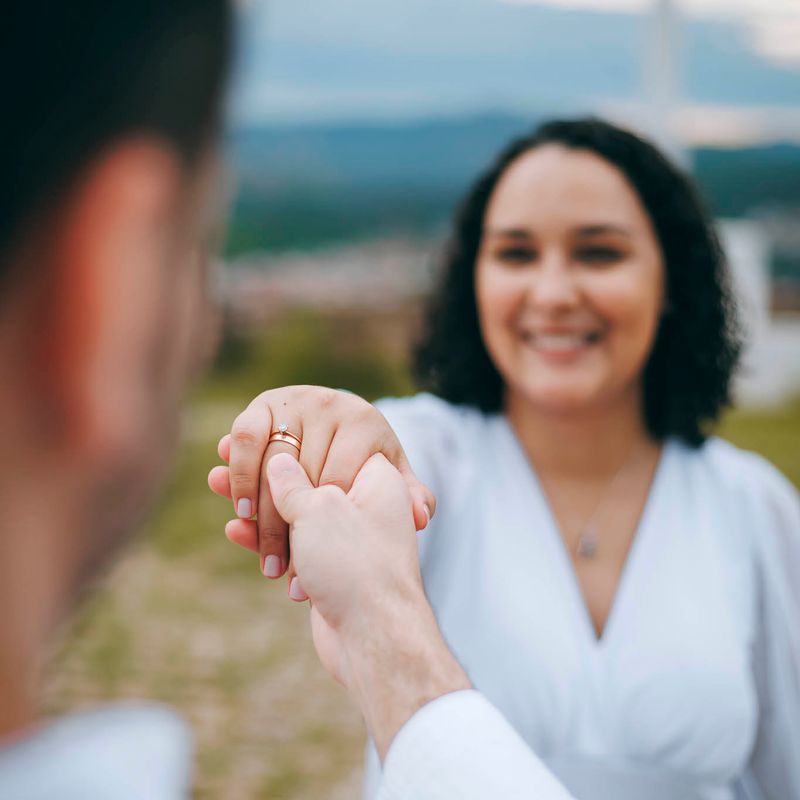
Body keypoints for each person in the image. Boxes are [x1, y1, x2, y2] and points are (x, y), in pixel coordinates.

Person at [0, 2, 586, 798]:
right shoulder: (444, 446)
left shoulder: (753, 506)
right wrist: (388, 625)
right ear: (100, 297)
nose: (555, 291)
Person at [212, 119, 800, 799]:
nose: (552, 293)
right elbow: (365, 444)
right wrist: (312, 423)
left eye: (598, 253)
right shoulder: (421, 463)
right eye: (516, 254)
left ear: (672, 278)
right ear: (473, 278)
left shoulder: (755, 507)